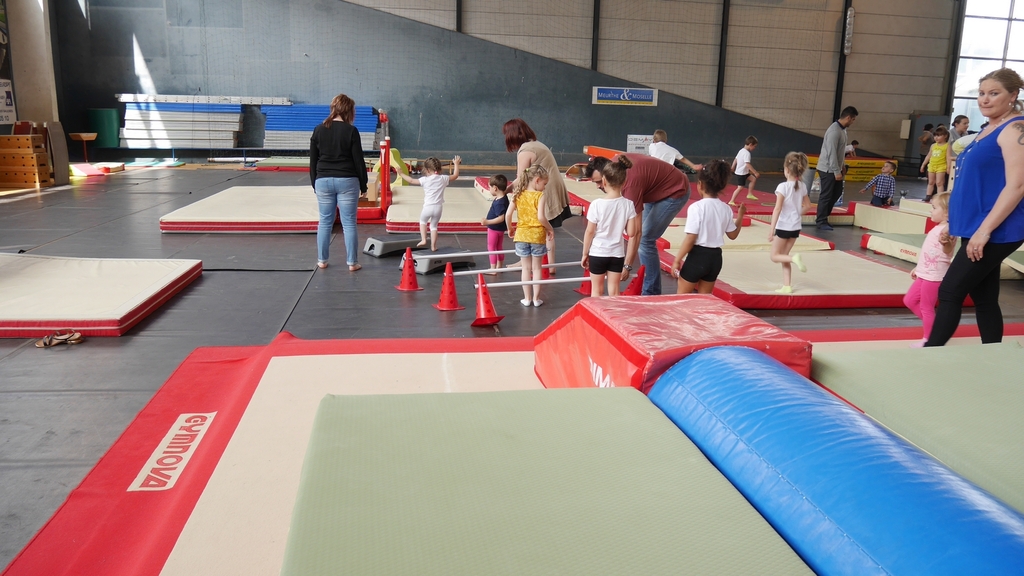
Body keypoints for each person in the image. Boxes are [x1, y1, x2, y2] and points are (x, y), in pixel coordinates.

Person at [926, 68, 1024, 347]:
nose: (985, 99)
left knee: (950, 291)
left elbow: (1017, 185)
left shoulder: (1015, 129)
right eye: (981, 93)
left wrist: (984, 231)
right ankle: (993, 352)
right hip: (976, 224)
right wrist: (954, 222)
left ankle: (930, 353)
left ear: (1013, 95)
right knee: (984, 297)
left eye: (994, 93)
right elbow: (971, 184)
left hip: (997, 228)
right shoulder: (987, 129)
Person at [585, 153, 694, 295]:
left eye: (599, 182)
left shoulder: (630, 186)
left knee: (645, 239)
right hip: (654, 187)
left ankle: (651, 293)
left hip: (675, 190)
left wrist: (627, 266)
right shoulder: (618, 168)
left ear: (606, 178)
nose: (598, 186)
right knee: (642, 238)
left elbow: (636, 233)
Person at [503, 119, 571, 270]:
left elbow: (521, 179)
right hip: (552, 185)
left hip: (545, 188)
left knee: (544, 227)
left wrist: (505, 192)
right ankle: (548, 265)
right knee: (546, 228)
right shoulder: (536, 144)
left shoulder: (525, 151)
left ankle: (544, 264)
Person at [310, 93, 368, 271]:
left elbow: (313, 160)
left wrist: (314, 183)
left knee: (324, 222)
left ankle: (322, 260)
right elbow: (358, 160)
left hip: (323, 180)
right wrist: (364, 184)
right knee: (349, 223)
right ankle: (352, 263)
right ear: (348, 110)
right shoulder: (351, 131)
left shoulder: (318, 130)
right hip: (347, 180)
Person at [670, 160, 747, 294]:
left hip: (698, 257)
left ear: (700, 184)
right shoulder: (726, 208)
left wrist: (677, 260)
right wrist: (740, 216)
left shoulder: (697, 207)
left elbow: (691, 238)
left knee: (682, 299)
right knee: (705, 301)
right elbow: (733, 235)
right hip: (715, 259)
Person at [581, 155, 640, 297]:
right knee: (614, 290)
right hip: (616, 254)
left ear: (604, 181)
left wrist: (585, 253)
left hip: (598, 253)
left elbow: (590, 232)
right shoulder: (628, 204)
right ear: (624, 181)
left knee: (597, 290)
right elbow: (631, 232)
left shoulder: (596, 204)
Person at [905, 193, 954, 347]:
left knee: (927, 307)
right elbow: (929, 252)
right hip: (925, 272)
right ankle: (936, 327)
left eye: (934, 208)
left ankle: (928, 339)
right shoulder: (938, 227)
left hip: (934, 276)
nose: (930, 210)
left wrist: (946, 243)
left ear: (947, 212)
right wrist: (918, 268)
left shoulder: (947, 230)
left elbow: (947, 251)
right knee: (909, 300)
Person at [505, 164, 554, 307]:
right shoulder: (539, 196)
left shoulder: (517, 194)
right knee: (537, 268)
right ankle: (536, 299)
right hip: (537, 236)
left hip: (521, 235)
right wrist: (550, 228)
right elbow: (541, 218)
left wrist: (510, 228)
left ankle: (527, 298)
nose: (544, 187)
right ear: (537, 180)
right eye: (544, 184)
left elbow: (508, 214)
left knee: (525, 269)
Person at [768, 152, 811, 294]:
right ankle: (787, 285)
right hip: (795, 228)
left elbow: (777, 209)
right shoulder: (802, 186)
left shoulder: (783, 187)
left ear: (787, 169)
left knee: (775, 256)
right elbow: (808, 206)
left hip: (783, 227)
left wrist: (771, 230)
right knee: (784, 256)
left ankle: (794, 258)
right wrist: (797, 214)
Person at [398, 156, 461, 251]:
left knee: (423, 221)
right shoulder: (443, 178)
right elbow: (455, 175)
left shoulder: (425, 180)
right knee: (434, 226)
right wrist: (456, 164)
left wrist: (401, 173)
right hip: (438, 208)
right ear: (439, 169)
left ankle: (424, 239)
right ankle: (433, 246)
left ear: (427, 170)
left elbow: (411, 180)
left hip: (428, 207)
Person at [815, 106, 858, 230]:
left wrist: (842, 165)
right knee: (826, 195)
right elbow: (831, 152)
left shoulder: (843, 130)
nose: (853, 122)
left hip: (835, 167)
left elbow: (841, 151)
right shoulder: (834, 131)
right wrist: (836, 170)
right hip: (827, 169)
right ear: (848, 118)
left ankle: (824, 216)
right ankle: (821, 221)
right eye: (853, 119)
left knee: (837, 192)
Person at [480, 174, 510, 274]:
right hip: (500, 229)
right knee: (499, 246)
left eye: (490, 187)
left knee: (491, 247)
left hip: (494, 228)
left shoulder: (499, 203)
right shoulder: (503, 197)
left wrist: (487, 222)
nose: (489, 189)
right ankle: (499, 266)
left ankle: (493, 268)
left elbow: (501, 218)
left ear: (495, 188)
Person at [727, 136, 760, 205]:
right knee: (740, 187)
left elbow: (736, 159)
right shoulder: (747, 153)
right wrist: (755, 172)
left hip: (744, 172)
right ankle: (731, 200)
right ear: (750, 144)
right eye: (754, 146)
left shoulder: (741, 150)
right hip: (741, 173)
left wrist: (733, 167)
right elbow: (748, 164)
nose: (754, 148)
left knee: (753, 179)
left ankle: (749, 194)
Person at [920, 126, 949, 201]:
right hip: (932, 166)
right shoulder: (933, 145)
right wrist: (923, 165)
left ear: (945, 136)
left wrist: (948, 168)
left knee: (939, 183)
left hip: (941, 166)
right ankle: (928, 195)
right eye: (935, 135)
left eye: (939, 136)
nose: (936, 137)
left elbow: (948, 157)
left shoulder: (947, 146)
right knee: (931, 182)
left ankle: (940, 197)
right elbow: (928, 156)